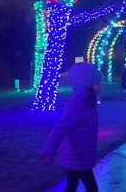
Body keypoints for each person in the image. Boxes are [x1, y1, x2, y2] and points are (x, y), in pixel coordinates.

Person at [40, 62, 103, 192]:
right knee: (92, 188)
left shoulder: (89, 102)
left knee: (71, 185)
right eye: (97, 83)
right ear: (86, 85)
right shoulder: (76, 104)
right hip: (78, 157)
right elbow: (60, 129)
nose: (100, 86)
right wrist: (48, 151)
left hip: (81, 155)